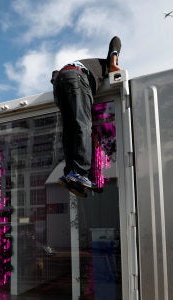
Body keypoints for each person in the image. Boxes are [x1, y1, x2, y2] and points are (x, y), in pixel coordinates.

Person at [52, 36, 121, 197]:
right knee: (83, 125)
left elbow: (56, 74)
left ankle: (70, 174)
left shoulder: (87, 65)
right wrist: (113, 62)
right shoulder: (103, 65)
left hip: (60, 81)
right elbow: (116, 40)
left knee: (70, 129)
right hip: (77, 77)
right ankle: (79, 172)